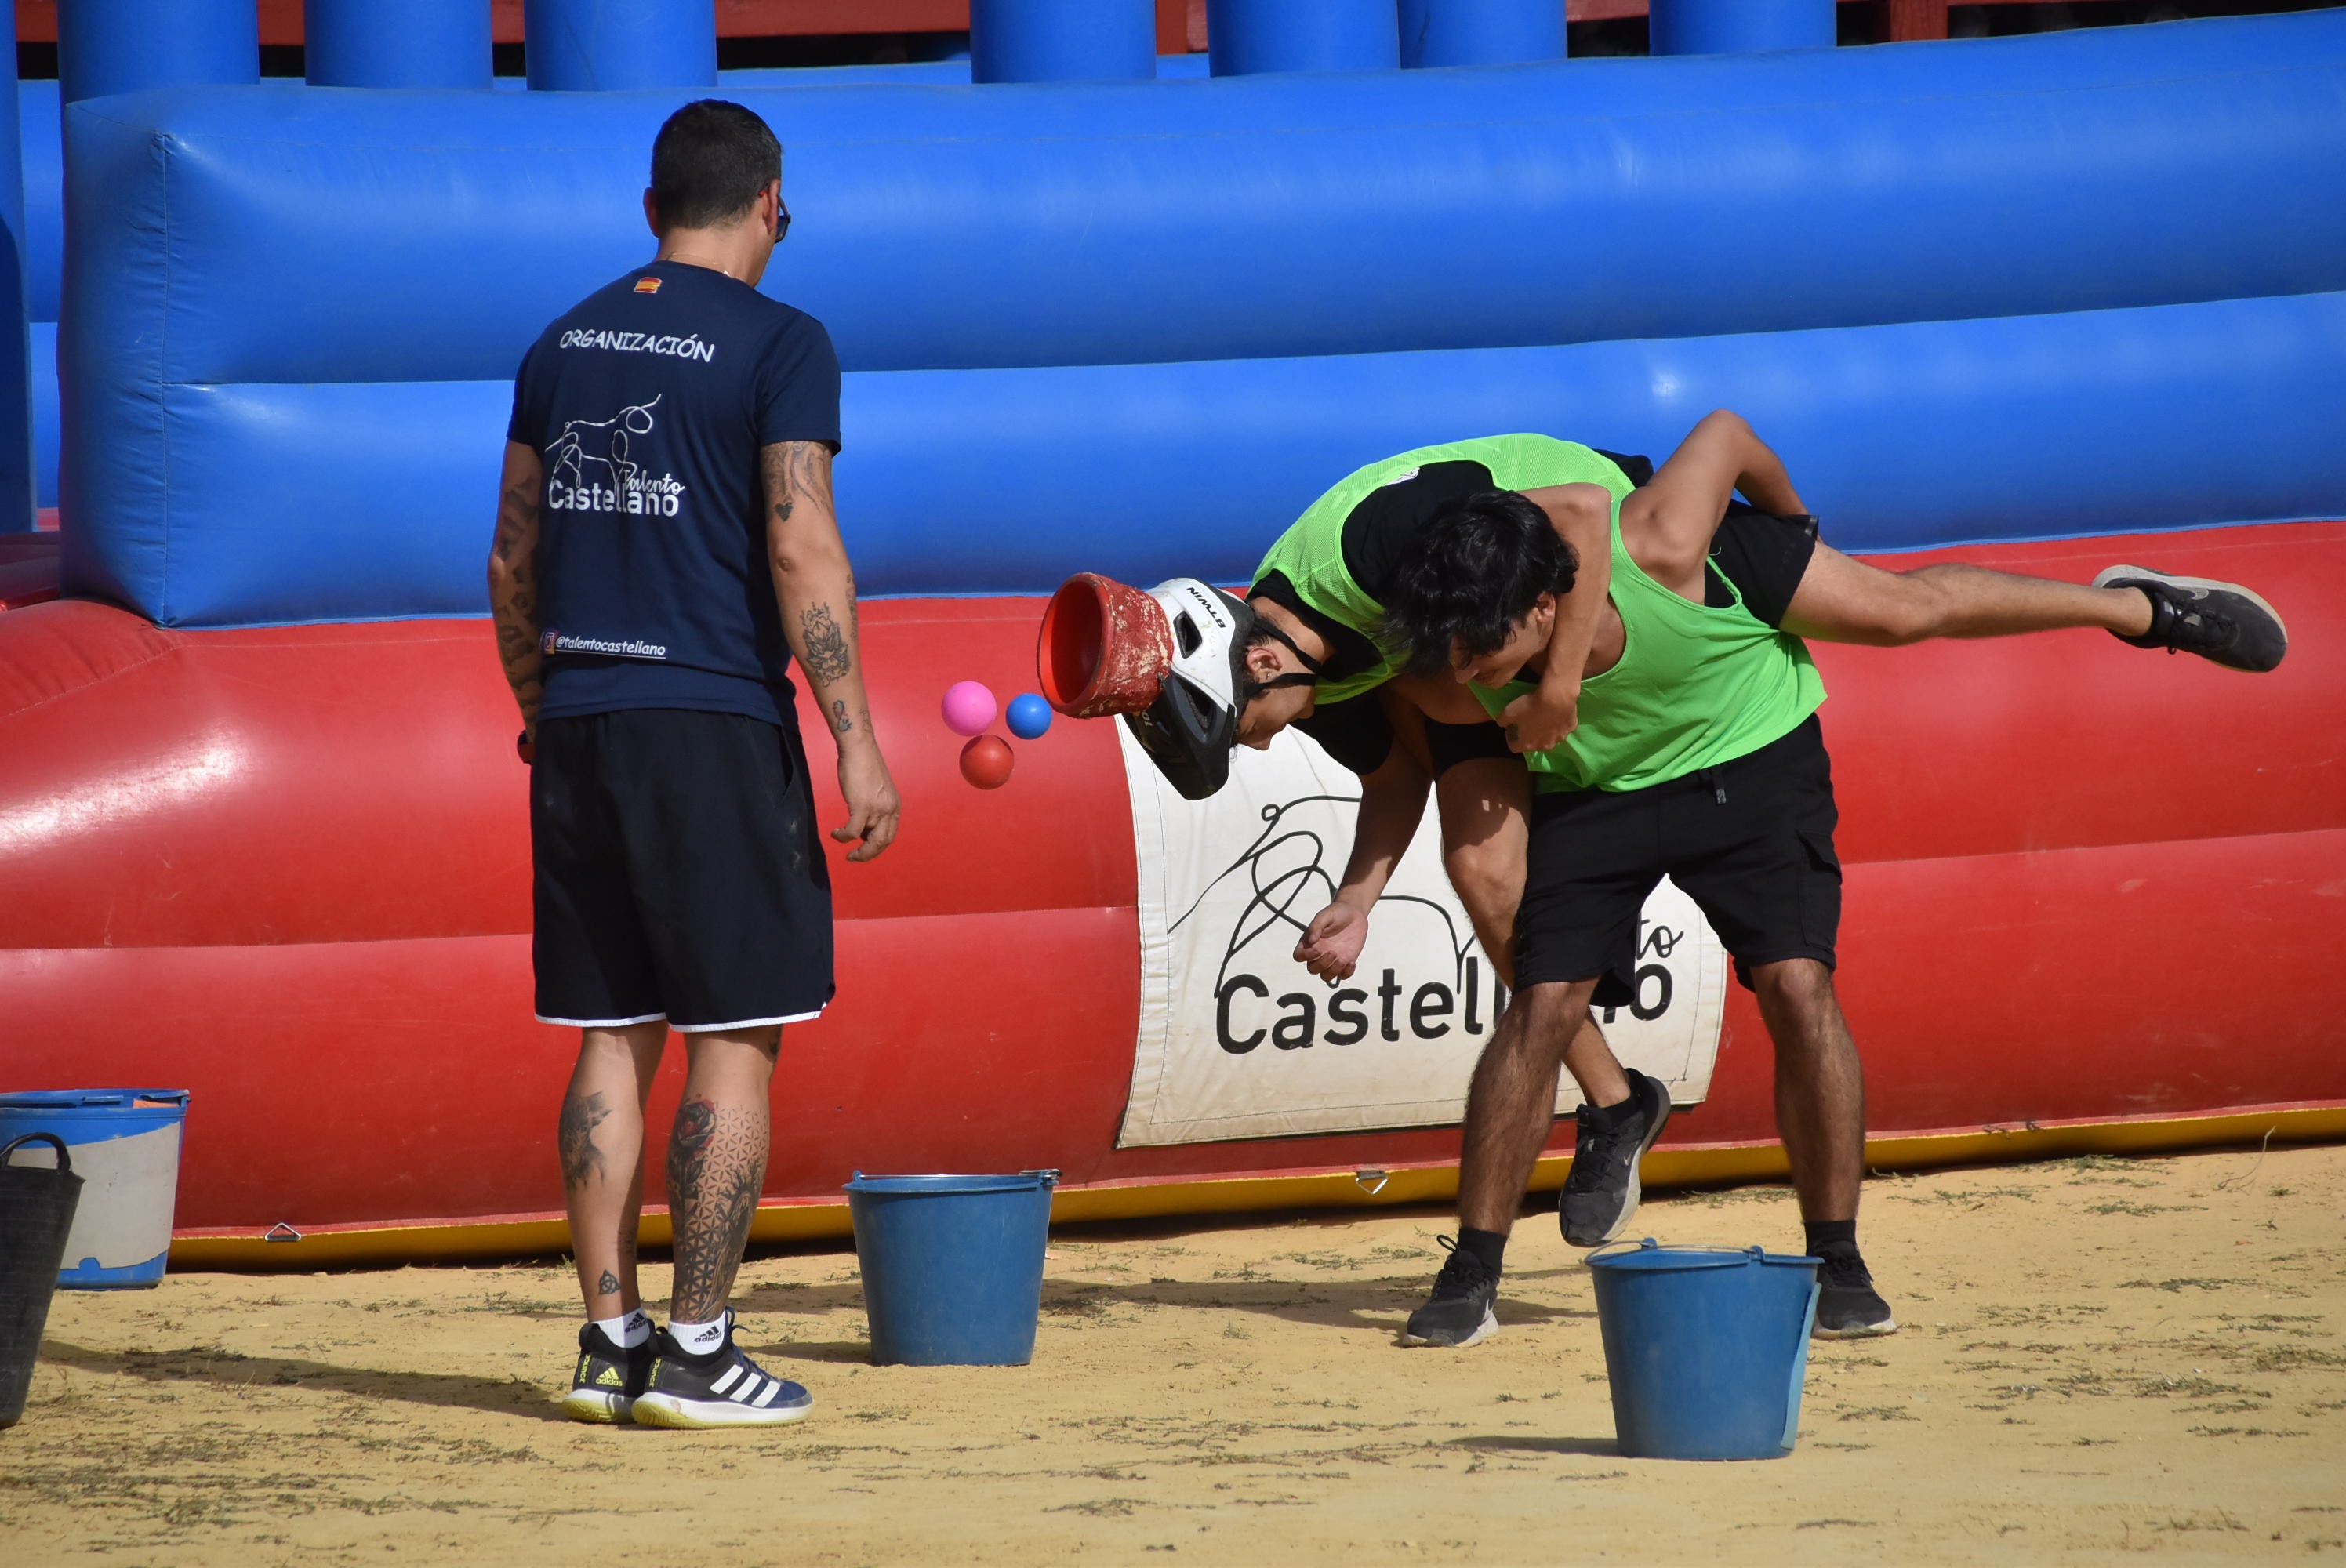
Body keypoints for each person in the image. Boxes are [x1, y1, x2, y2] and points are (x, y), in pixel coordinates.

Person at [1049, 411, 2285, 1347]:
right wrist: (1364, 896)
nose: (1262, 748)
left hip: (1600, 553)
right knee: (1483, 875)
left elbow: (1584, 515)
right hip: (1508, 645)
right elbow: (1401, 773)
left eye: (1245, 731)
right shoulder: (1334, 672)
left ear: (1262, 661)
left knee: (1897, 614)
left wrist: (1572, 677)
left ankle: (2136, 611)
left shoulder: (1377, 556)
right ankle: (1613, 1107)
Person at [488, 100, 900, 1428]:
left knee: (613, 1035)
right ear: (771, 203)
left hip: (582, 720)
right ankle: (703, 1350)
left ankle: (610, 1344)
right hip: (713, 721)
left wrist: (542, 706)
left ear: (652, 207)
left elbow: (511, 558)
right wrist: (855, 741)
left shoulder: (562, 341)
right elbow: (800, 545)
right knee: (733, 1039)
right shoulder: (784, 341)